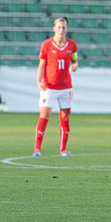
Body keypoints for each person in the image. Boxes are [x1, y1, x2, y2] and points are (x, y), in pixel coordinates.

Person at [33, 17, 78, 157]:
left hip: (65, 87)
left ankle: (63, 149)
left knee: (65, 117)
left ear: (67, 29)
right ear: (54, 28)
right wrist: (39, 80)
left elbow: (74, 60)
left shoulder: (72, 45)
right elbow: (42, 64)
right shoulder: (46, 45)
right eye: (59, 27)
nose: (61, 30)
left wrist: (75, 65)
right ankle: (37, 149)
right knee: (44, 115)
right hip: (49, 87)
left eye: (63, 27)